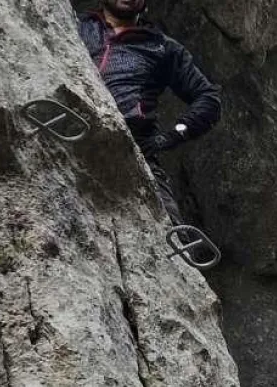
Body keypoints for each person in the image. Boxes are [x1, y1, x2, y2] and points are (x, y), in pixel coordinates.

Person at [77, 0, 222, 224]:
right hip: (72, 120)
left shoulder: (161, 47)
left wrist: (170, 135)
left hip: (133, 149)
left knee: (172, 235)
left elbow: (209, 99)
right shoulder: (77, 24)